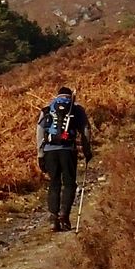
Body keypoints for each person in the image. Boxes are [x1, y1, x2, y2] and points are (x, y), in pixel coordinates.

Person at [36, 86, 93, 232]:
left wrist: (40, 154)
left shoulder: (47, 109)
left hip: (49, 151)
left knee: (54, 183)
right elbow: (85, 129)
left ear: (57, 96)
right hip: (68, 150)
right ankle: (64, 215)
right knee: (69, 184)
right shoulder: (76, 109)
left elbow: (40, 131)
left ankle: (53, 219)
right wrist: (87, 150)